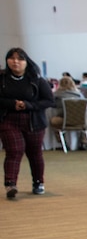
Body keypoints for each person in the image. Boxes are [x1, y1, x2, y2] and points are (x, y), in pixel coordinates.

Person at [1, 47, 55, 199]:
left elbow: (49, 101)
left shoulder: (37, 80)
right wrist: (12, 104)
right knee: (14, 150)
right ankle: (10, 184)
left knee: (34, 152)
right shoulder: (2, 79)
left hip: (33, 120)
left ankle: (38, 182)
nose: (15, 62)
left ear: (26, 62)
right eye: (11, 58)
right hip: (8, 119)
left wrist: (28, 105)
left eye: (19, 59)